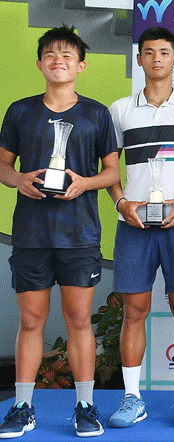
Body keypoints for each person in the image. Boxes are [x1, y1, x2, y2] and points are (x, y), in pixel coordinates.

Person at [0, 25, 119, 438]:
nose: (58, 60)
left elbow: (112, 172)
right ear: (39, 63)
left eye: (67, 55)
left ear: (80, 66)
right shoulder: (20, 111)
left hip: (80, 234)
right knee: (31, 320)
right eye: (50, 54)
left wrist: (85, 183)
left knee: (79, 319)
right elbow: (2, 165)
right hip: (31, 234)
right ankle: (22, 407)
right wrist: (18, 179)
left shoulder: (96, 114)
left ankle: (85, 406)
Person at [106, 27, 174, 428]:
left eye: (164, 52)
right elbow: (109, 168)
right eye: (149, 52)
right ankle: (132, 398)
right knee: (134, 310)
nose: (157, 59)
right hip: (134, 225)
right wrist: (122, 203)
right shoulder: (119, 110)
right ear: (140, 59)